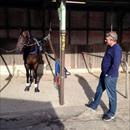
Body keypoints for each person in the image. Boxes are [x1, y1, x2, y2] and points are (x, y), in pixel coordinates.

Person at [86, 31, 122, 121]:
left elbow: (116, 64)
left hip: (110, 76)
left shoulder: (117, 49)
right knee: (99, 89)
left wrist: (108, 74)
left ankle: (111, 113)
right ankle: (94, 104)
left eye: (107, 39)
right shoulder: (109, 47)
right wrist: (104, 72)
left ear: (112, 39)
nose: (105, 40)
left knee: (111, 94)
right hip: (104, 74)